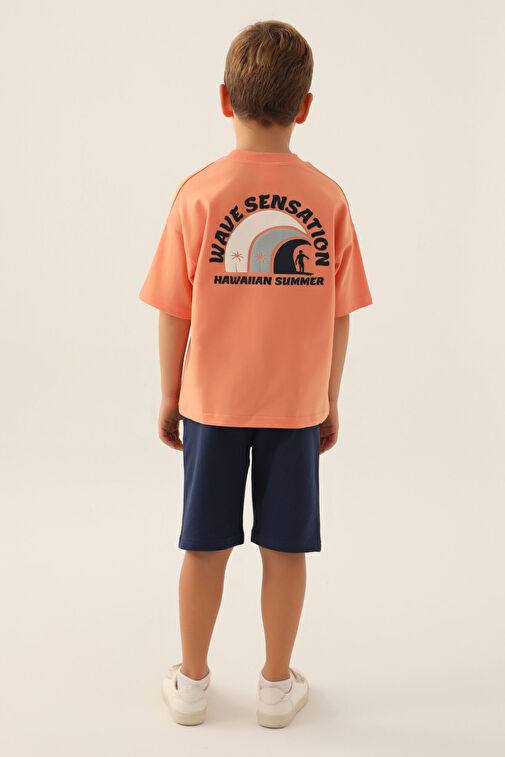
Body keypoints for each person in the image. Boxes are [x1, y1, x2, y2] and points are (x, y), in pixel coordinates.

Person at [139, 20, 372, 729]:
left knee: (204, 543)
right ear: (305, 106)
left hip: (211, 403)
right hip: (295, 407)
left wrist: (171, 394)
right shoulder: (327, 198)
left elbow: (174, 311)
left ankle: (192, 683)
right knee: (285, 546)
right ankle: (275, 685)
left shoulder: (199, 193)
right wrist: (328, 397)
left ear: (223, 99)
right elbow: (339, 313)